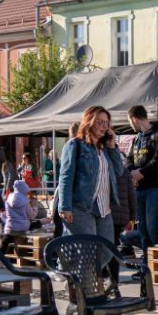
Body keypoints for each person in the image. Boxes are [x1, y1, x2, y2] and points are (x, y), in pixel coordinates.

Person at [58, 106, 124, 267]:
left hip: (103, 208)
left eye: (106, 123)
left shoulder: (105, 148)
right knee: (87, 251)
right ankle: (83, 285)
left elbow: (119, 171)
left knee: (107, 251)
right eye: (100, 122)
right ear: (89, 122)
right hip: (80, 206)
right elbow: (66, 176)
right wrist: (64, 206)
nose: (104, 126)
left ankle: (74, 275)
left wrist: (112, 146)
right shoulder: (75, 145)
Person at [126, 105, 158, 257]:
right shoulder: (137, 138)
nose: (130, 125)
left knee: (153, 228)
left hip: (156, 188)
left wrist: (141, 173)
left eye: (130, 122)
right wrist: (132, 172)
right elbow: (129, 160)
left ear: (134, 119)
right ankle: (148, 268)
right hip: (139, 189)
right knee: (143, 231)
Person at [0, 180, 51, 255]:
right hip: (23, 228)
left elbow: (6, 214)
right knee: (37, 222)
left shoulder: (8, 198)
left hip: (10, 228)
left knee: (4, 243)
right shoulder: (25, 201)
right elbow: (32, 216)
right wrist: (35, 206)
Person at [108, 165, 137, 294]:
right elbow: (131, 194)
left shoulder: (101, 164)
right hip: (120, 215)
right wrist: (131, 217)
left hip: (107, 214)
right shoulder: (123, 169)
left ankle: (110, 284)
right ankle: (114, 285)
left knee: (106, 248)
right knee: (112, 247)